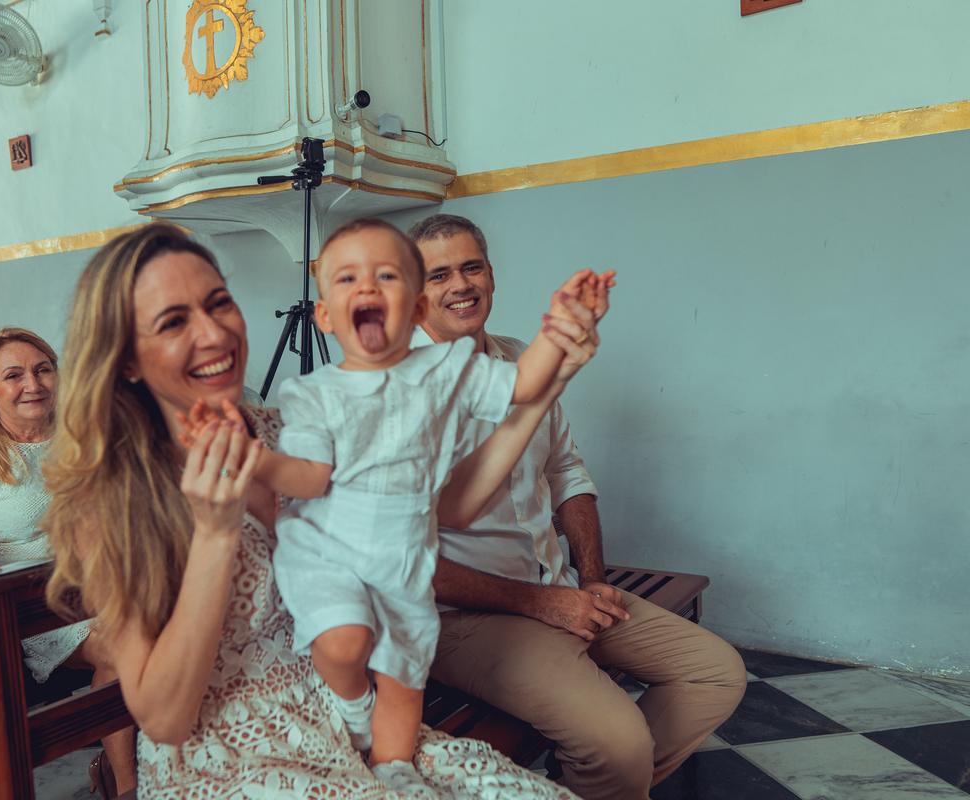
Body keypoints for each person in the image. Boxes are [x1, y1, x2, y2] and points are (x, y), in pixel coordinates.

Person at [40, 222, 588, 798]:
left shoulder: (291, 431)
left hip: (353, 723)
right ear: (127, 359)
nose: (213, 333)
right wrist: (215, 533)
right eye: (173, 322)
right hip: (229, 762)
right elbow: (164, 719)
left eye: (218, 303)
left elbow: (449, 506)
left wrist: (545, 387)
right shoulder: (112, 500)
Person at [407, 214, 747, 800]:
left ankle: (575, 790)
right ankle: (607, 778)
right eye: (439, 275)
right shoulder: (402, 390)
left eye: (471, 267)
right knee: (620, 744)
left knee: (715, 673)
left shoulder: (520, 357)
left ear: (491, 275)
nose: (460, 285)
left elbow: (565, 471)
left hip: (559, 585)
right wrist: (542, 604)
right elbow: (408, 559)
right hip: (463, 621)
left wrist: (590, 579)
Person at [0, 327, 137, 796]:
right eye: (13, 375)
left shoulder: (81, 438)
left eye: (43, 370)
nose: (34, 384)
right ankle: (128, 787)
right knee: (124, 648)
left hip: (102, 587)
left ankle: (134, 770)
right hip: (26, 603)